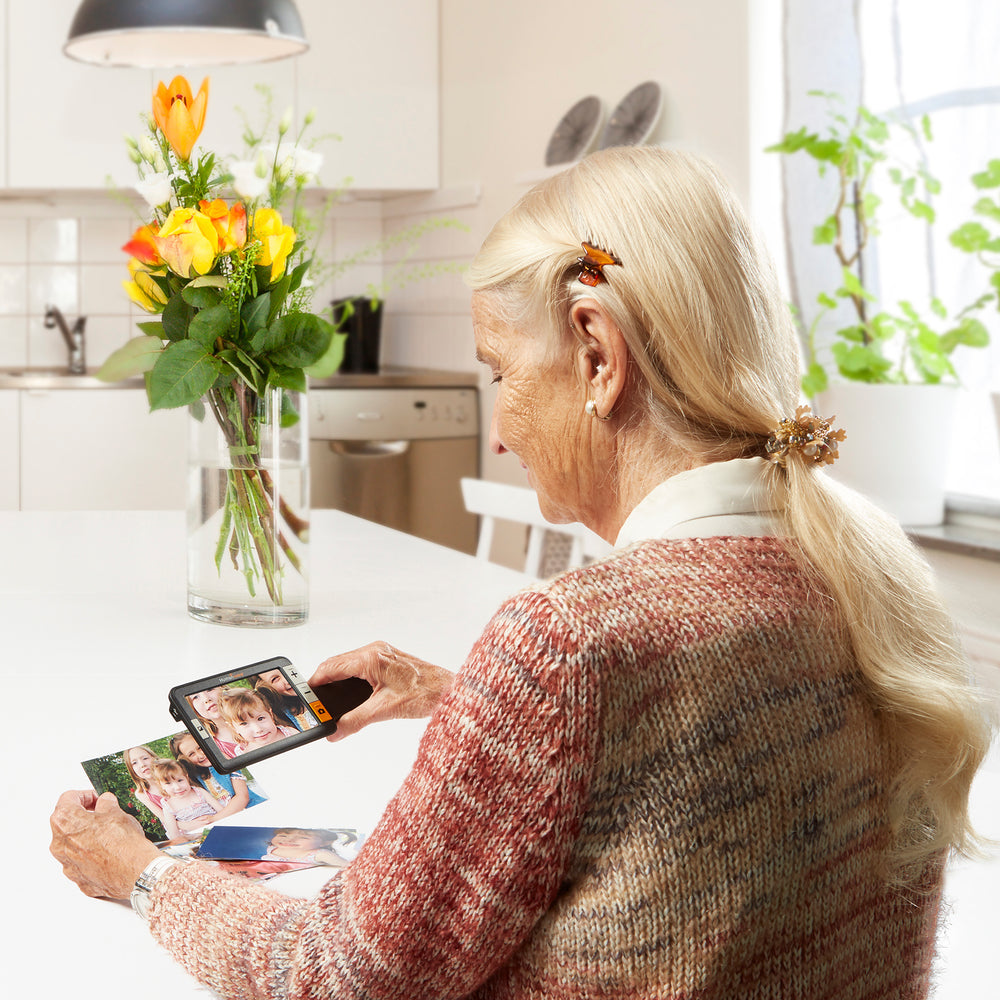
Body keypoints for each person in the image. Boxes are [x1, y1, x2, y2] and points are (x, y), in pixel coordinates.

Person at [50, 146, 993, 999]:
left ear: (596, 354)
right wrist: (459, 696)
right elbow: (702, 758)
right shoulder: (873, 577)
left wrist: (140, 872)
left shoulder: (572, 642)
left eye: (501, 371)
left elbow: (332, 977)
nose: (498, 431)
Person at [168, 732, 267, 820]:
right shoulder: (191, 779)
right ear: (185, 760)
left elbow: (242, 797)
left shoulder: (224, 760)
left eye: (200, 747)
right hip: (228, 819)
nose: (200, 755)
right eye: (191, 754)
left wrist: (214, 819)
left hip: (253, 808)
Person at [150, 759, 223, 842]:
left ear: (186, 777)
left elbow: (221, 810)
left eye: (180, 780)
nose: (177, 787)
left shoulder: (199, 792)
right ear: (161, 785)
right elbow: (174, 834)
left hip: (216, 828)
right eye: (168, 783)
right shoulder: (168, 805)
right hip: (195, 839)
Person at [218, 687, 298, 754]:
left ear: (270, 715)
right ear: (233, 727)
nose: (258, 729)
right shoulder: (244, 752)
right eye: (244, 723)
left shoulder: (290, 733)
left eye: (260, 718)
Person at [186, 686, 240, 759]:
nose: (206, 699)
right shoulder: (212, 746)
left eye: (209, 689)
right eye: (195, 697)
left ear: (223, 689)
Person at [261, 828, 358, 868]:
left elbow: (349, 866)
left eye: (303, 837)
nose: (289, 840)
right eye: (283, 836)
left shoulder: (320, 854)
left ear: (325, 842)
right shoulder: (273, 847)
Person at [122, 746, 167, 826]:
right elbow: (165, 819)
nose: (142, 764)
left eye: (145, 758)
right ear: (132, 770)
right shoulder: (141, 794)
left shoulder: (173, 776)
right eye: (134, 763)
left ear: (154, 758)